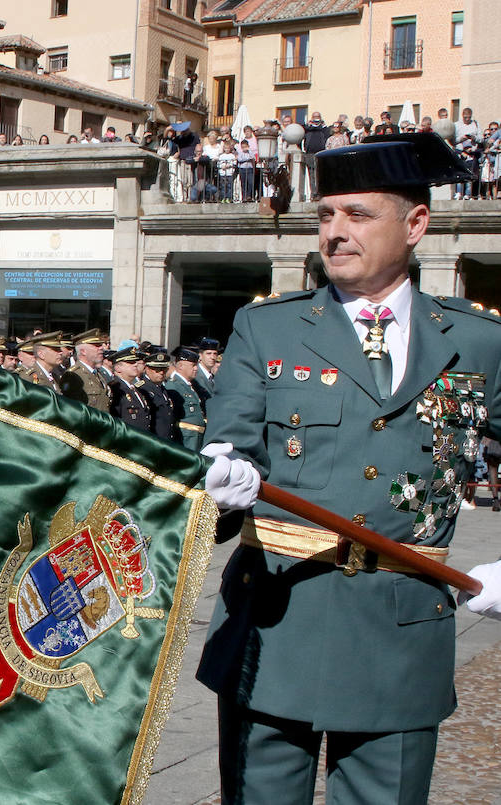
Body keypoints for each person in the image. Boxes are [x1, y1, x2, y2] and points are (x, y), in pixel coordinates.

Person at [197, 132, 493, 804]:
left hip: (402, 633)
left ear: (415, 223)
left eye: (357, 215)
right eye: (326, 215)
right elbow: (230, 440)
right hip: (277, 621)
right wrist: (223, 479)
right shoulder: (266, 328)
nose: (335, 232)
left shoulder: (477, 340)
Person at [165, 345, 208, 450]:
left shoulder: (192, 385)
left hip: (196, 437)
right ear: (180, 366)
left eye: (196, 365)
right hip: (185, 437)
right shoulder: (174, 385)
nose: (196, 368)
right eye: (193, 365)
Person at [59, 328, 110, 410]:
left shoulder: (99, 375)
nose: (101, 348)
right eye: (96, 345)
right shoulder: (73, 375)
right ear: (83, 351)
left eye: (100, 345)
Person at [137, 349, 182, 443]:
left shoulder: (162, 388)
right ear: (147, 369)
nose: (161, 372)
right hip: (153, 440)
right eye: (157, 370)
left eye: (164, 369)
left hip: (167, 440)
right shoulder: (142, 389)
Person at [107, 347, 151, 431]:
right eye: (130, 362)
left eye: (135, 362)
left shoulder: (135, 388)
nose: (135, 364)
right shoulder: (115, 389)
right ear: (118, 368)